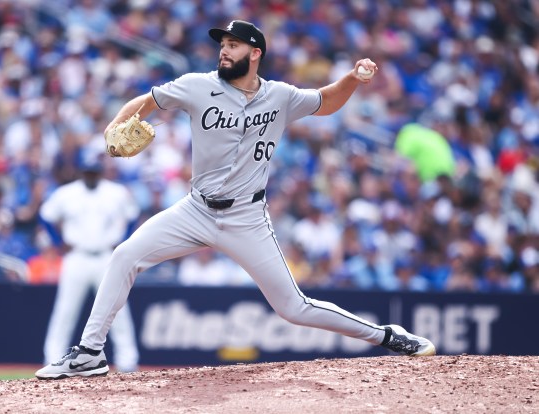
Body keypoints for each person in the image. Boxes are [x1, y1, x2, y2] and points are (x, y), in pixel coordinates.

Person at [36, 20, 435, 380]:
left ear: (255, 53)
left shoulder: (280, 96)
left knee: (293, 308)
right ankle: (90, 353)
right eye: (222, 44)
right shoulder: (196, 84)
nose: (224, 50)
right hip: (194, 210)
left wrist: (351, 78)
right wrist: (115, 124)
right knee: (124, 255)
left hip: (246, 217)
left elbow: (326, 102)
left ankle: (387, 335)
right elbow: (147, 101)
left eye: (234, 44)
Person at [37, 150, 140, 376]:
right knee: (65, 311)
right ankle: (52, 359)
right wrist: (58, 242)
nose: (91, 176)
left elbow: (133, 215)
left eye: (94, 172)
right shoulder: (67, 193)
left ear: (100, 172)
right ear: (81, 172)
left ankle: (127, 361)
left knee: (118, 309)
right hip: (77, 257)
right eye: (87, 172)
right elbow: (45, 216)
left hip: (106, 256)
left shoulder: (116, 192)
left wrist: (124, 242)